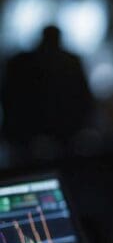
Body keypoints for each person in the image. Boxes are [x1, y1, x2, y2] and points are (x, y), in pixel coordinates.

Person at [0, 25, 94, 163]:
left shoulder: (19, 62)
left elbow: (8, 98)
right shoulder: (71, 62)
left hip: (34, 138)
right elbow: (86, 100)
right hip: (54, 138)